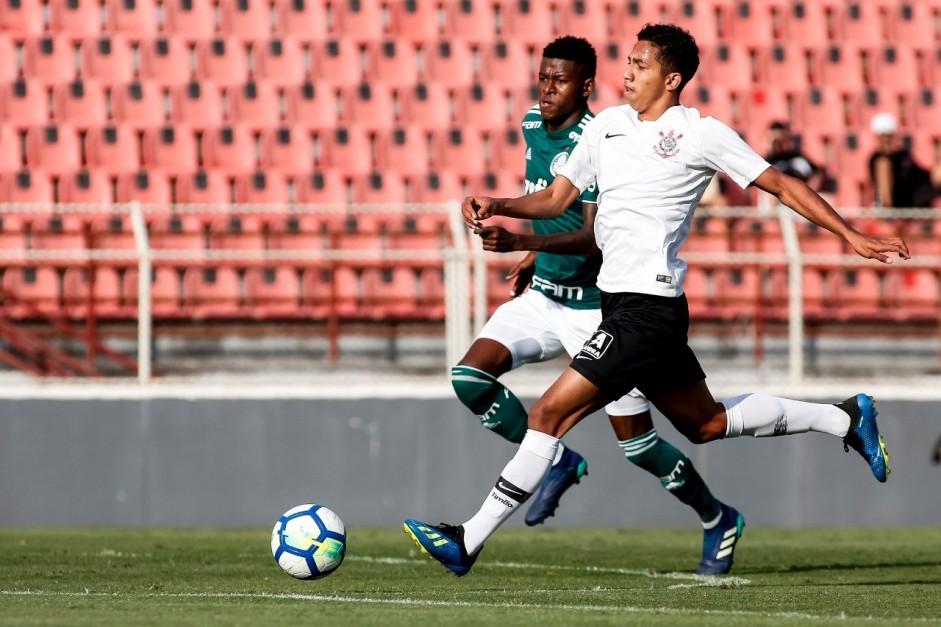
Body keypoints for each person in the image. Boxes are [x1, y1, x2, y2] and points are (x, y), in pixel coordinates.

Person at [404, 23, 910, 578]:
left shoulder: (701, 134)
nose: (627, 72)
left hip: (650, 311)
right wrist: (497, 203)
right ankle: (844, 417)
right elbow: (557, 197)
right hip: (625, 307)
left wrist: (851, 234)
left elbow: (782, 186)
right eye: (627, 61)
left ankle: (466, 540)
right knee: (706, 425)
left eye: (640, 65)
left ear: (671, 79)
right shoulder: (608, 128)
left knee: (549, 413)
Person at [452, 35, 741, 575]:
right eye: (542, 77)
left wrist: (526, 243)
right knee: (470, 376)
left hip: (599, 310)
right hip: (543, 298)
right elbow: (547, 197)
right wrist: (534, 255)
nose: (546, 89)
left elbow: (596, 234)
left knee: (640, 446)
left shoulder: (606, 132)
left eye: (559, 80)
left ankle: (716, 515)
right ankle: (555, 458)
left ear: (586, 86)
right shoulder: (531, 126)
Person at [869, 111, 941, 208]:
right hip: (904, 201)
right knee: (883, 165)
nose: (887, 139)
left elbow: (920, 173)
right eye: (883, 135)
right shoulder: (879, 160)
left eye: (889, 135)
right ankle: (888, 212)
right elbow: (882, 186)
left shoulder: (902, 154)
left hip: (919, 191)